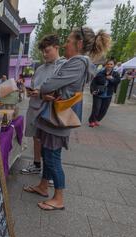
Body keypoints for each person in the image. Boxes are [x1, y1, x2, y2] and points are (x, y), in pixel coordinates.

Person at [24, 27, 110, 211]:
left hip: (58, 119)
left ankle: (59, 197)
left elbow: (49, 84)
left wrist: (48, 89)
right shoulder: (77, 62)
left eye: (69, 41)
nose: (65, 44)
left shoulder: (77, 63)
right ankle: (43, 186)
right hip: (54, 117)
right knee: (47, 153)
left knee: (52, 157)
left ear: (79, 44)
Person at [21, 34, 65, 175]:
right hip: (35, 108)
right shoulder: (40, 68)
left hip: (49, 112)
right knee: (36, 138)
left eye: (47, 51)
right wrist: (30, 92)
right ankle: (36, 164)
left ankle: (50, 173)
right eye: (43, 52)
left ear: (56, 48)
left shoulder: (62, 67)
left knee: (49, 143)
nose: (44, 55)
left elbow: (61, 92)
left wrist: (41, 94)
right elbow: (35, 85)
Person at [88, 59, 121, 127]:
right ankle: (92, 121)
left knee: (104, 109)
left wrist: (111, 79)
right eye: (108, 64)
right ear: (106, 65)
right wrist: (92, 90)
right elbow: (93, 82)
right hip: (98, 93)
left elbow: (117, 81)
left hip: (108, 94)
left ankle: (97, 120)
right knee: (96, 108)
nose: (109, 65)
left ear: (114, 65)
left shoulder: (115, 74)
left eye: (111, 64)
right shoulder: (100, 73)